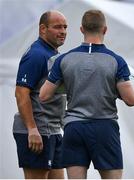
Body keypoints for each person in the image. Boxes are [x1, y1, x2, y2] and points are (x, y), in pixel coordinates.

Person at [39, 10, 134, 179]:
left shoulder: (63, 60)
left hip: (74, 128)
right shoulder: (116, 60)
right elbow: (130, 99)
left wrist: (70, 83)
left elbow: (43, 95)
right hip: (104, 127)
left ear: (81, 29)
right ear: (105, 30)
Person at [13, 10, 67, 179]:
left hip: (52, 131)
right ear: (43, 29)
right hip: (37, 132)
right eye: (57, 27)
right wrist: (32, 129)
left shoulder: (53, 54)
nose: (63, 31)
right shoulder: (36, 54)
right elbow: (21, 94)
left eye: (65, 27)